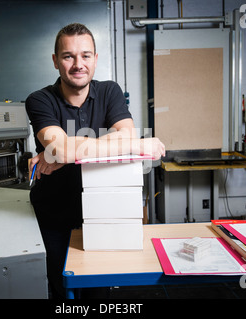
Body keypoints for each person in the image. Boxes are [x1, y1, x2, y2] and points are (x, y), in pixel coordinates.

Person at [25, 23, 165, 299]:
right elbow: (65, 149)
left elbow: (67, 151)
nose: (78, 64)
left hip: (101, 211)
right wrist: (133, 145)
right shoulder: (39, 99)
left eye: (86, 55)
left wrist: (62, 153)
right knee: (60, 287)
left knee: (98, 288)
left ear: (96, 59)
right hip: (54, 215)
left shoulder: (110, 91)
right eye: (68, 56)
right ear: (55, 61)